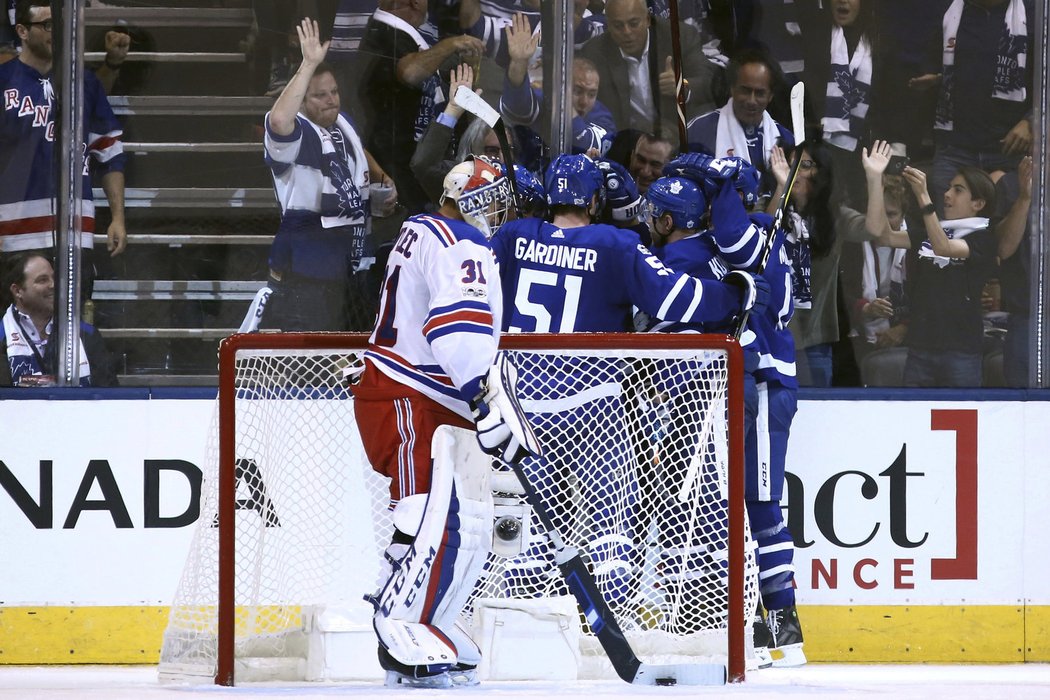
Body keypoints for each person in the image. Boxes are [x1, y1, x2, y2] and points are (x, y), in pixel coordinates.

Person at [351, 155, 537, 688]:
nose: (501, 215)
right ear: (475, 202)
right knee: (423, 508)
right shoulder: (464, 246)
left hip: (417, 392)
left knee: (461, 514)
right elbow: (454, 327)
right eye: (497, 203)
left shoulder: (424, 230)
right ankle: (397, 619)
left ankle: (429, 615)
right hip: (407, 393)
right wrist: (482, 396)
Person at [646, 157, 805, 666]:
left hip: (756, 383)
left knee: (744, 506)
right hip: (748, 382)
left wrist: (720, 182)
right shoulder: (745, 237)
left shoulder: (749, 235)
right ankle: (762, 626)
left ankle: (772, 627)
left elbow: (733, 241)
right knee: (739, 506)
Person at [260, 18, 397, 332]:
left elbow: (357, 150)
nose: (331, 99)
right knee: (309, 364)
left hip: (349, 263)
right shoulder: (297, 133)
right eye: (320, 95)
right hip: (306, 267)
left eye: (334, 92)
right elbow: (280, 121)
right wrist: (308, 64)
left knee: (349, 359)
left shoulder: (341, 122)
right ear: (302, 100)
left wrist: (380, 178)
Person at [1, 0, 128, 297]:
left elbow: (110, 153)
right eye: (46, 25)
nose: (54, 32)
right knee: (12, 332)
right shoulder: (3, 81)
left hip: (74, 233)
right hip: (13, 235)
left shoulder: (85, 83)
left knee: (74, 330)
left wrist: (118, 218)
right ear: (22, 30)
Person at [770, 138, 885, 387]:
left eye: (805, 165)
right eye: (791, 166)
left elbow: (874, 229)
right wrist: (782, 187)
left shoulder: (834, 216)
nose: (795, 172)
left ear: (822, 174)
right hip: (773, 332)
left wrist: (874, 178)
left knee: (815, 405)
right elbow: (763, 234)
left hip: (816, 334)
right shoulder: (773, 204)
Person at [874, 163, 999, 387]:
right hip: (921, 346)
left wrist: (922, 194)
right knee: (913, 419)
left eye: (958, 190)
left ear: (978, 204)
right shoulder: (933, 230)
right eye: (949, 188)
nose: (948, 194)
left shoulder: (985, 238)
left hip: (961, 351)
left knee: (959, 416)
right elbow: (886, 237)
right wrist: (874, 182)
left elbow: (943, 247)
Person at [358, 0, 485, 214]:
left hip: (416, 172)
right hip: (397, 172)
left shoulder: (408, 35)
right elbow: (410, 73)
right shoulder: (385, 32)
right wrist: (451, 43)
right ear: (415, 3)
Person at [909, 0, 1033, 216]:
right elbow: (933, 62)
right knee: (948, 235)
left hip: (1008, 151)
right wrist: (934, 79)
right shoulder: (950, 11)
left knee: (1005, 238)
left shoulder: (1032, 13)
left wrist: (1031, 121)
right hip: (955, 148)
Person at [579, 0, 721, 134]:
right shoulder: (595, 53)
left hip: (681, 131)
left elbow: (708, 79)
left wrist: (682, 86)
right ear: (608, 25)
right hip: (629, 138)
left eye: (633, 24)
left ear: (647, 20)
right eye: (618, 26)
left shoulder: (678, 37)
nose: (627, 32)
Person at [684, 47, 794, 203]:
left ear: (770, 96)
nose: (751, 100)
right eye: (745, 90)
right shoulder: (698, 131)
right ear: (732, 89)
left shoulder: (786, 140)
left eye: (760, 93)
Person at [0, 251, 116, 387]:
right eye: (42, 280)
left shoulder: (86, 335)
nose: (53, 285)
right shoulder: (2, 335)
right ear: (17, 291)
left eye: (54, 278)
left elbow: (109, 395)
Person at [992, 155, 1032, 387]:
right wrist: (1025, 198)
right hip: (1025, 317)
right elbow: (1003, 248)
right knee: (1022, 408)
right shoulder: (1009, 184)